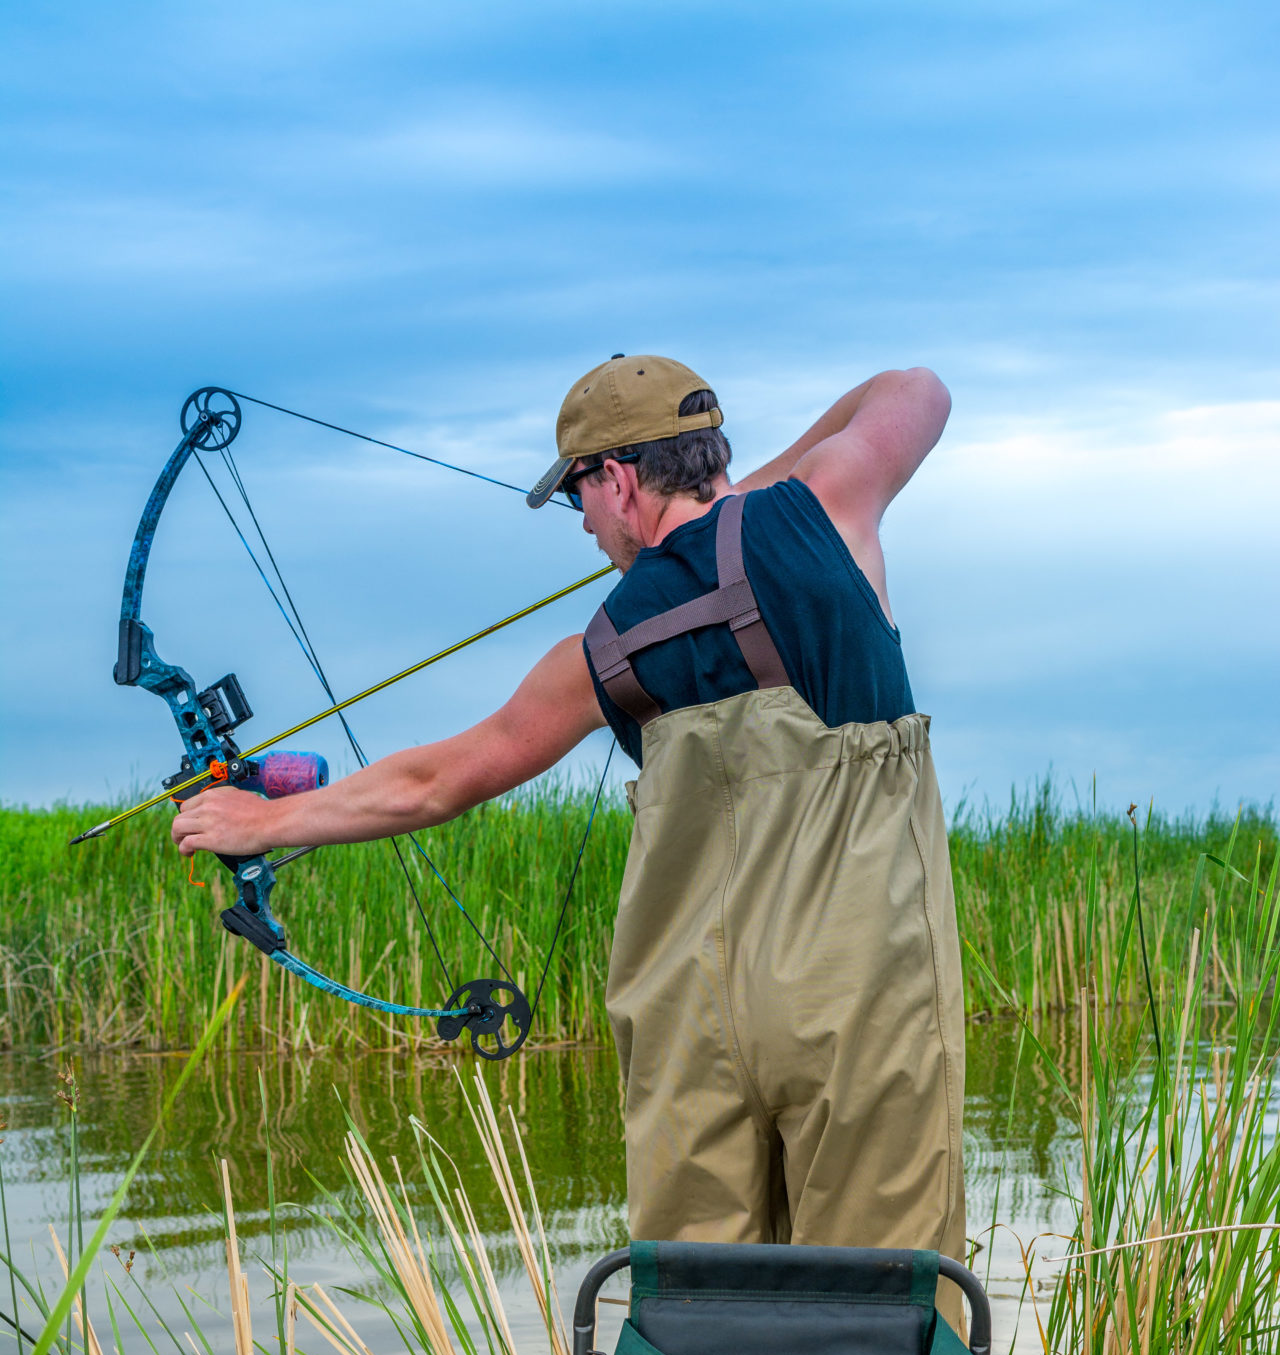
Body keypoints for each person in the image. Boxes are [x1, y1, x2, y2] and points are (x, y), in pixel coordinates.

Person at [173, 354, 966, 1305]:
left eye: (579, 497)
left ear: (619, 480)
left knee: (699, 1313)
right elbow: (915, 389)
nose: (585, 526)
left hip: (692, 1024)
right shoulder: (827, 506)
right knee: (880, 1305)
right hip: (861, 1002)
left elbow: (433, 783)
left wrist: (263, 821)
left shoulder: (600, 648)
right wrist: (753, 494)